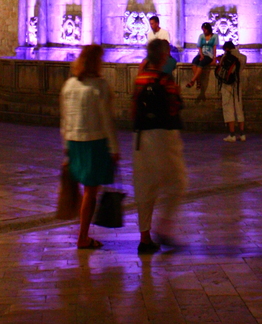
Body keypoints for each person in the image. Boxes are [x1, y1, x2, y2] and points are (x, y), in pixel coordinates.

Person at [60, 44, 119, 249]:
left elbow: (65, 117)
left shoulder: (69, 85)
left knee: (82, 189)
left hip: (74, 141)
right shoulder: (99, 86)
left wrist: (66, 143)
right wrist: (114, 147)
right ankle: (83, 236)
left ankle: (81, 229)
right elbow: (106, 120)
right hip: (94, 142)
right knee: (90, 192)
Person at [133, 39, 188, 253]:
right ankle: (164, 226)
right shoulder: (165, 79)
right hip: (164, 137)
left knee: (145, 188)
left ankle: (145, 237)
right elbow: (174, 106)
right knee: (178, 182)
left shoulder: (141, 77)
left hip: (140, 137)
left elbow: (133, 106)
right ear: (163, 56)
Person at [217, 41, 247, 142]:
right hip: (237, 84)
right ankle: (242, 134)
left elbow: (221, 69)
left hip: (226, 85)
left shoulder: (225, 57)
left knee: (228, 107)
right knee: (239, 107)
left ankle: (232, 134)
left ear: (226, 48)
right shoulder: (243, 57)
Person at [186, 22, 218, 88]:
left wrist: (214, 58)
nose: (204, 31)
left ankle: (192, 81)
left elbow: (214, 47)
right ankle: (198, 81)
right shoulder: (201, 36)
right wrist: (201, 55)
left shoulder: (215, 36)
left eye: (205, 30)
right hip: (201, 53)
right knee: (194, 62)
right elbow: (199, 46)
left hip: (209, 55)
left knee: (201, 63)